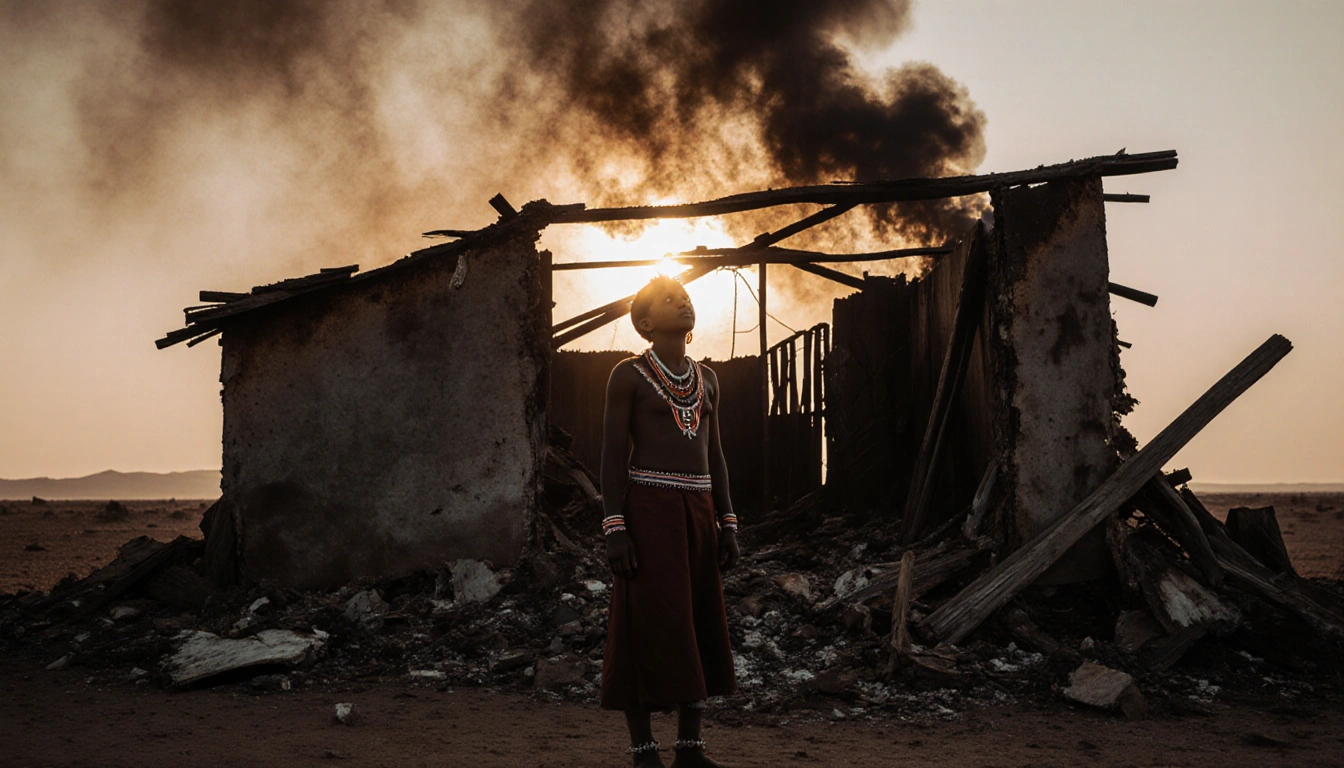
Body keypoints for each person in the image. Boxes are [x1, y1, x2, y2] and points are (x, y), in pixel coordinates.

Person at [599, 275, 739, 768]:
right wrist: (615, 527)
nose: (682, 302)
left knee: (697, 619)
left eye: (687, 298)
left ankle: (690, 749)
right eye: (668, 299)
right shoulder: (628, 376)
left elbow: (716, 457)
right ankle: (643, 752)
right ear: (644, 322)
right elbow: (613, 456)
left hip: (699, 513)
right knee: (647, 622)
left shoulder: (709, 380)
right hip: (649, 513)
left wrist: (727, 521)